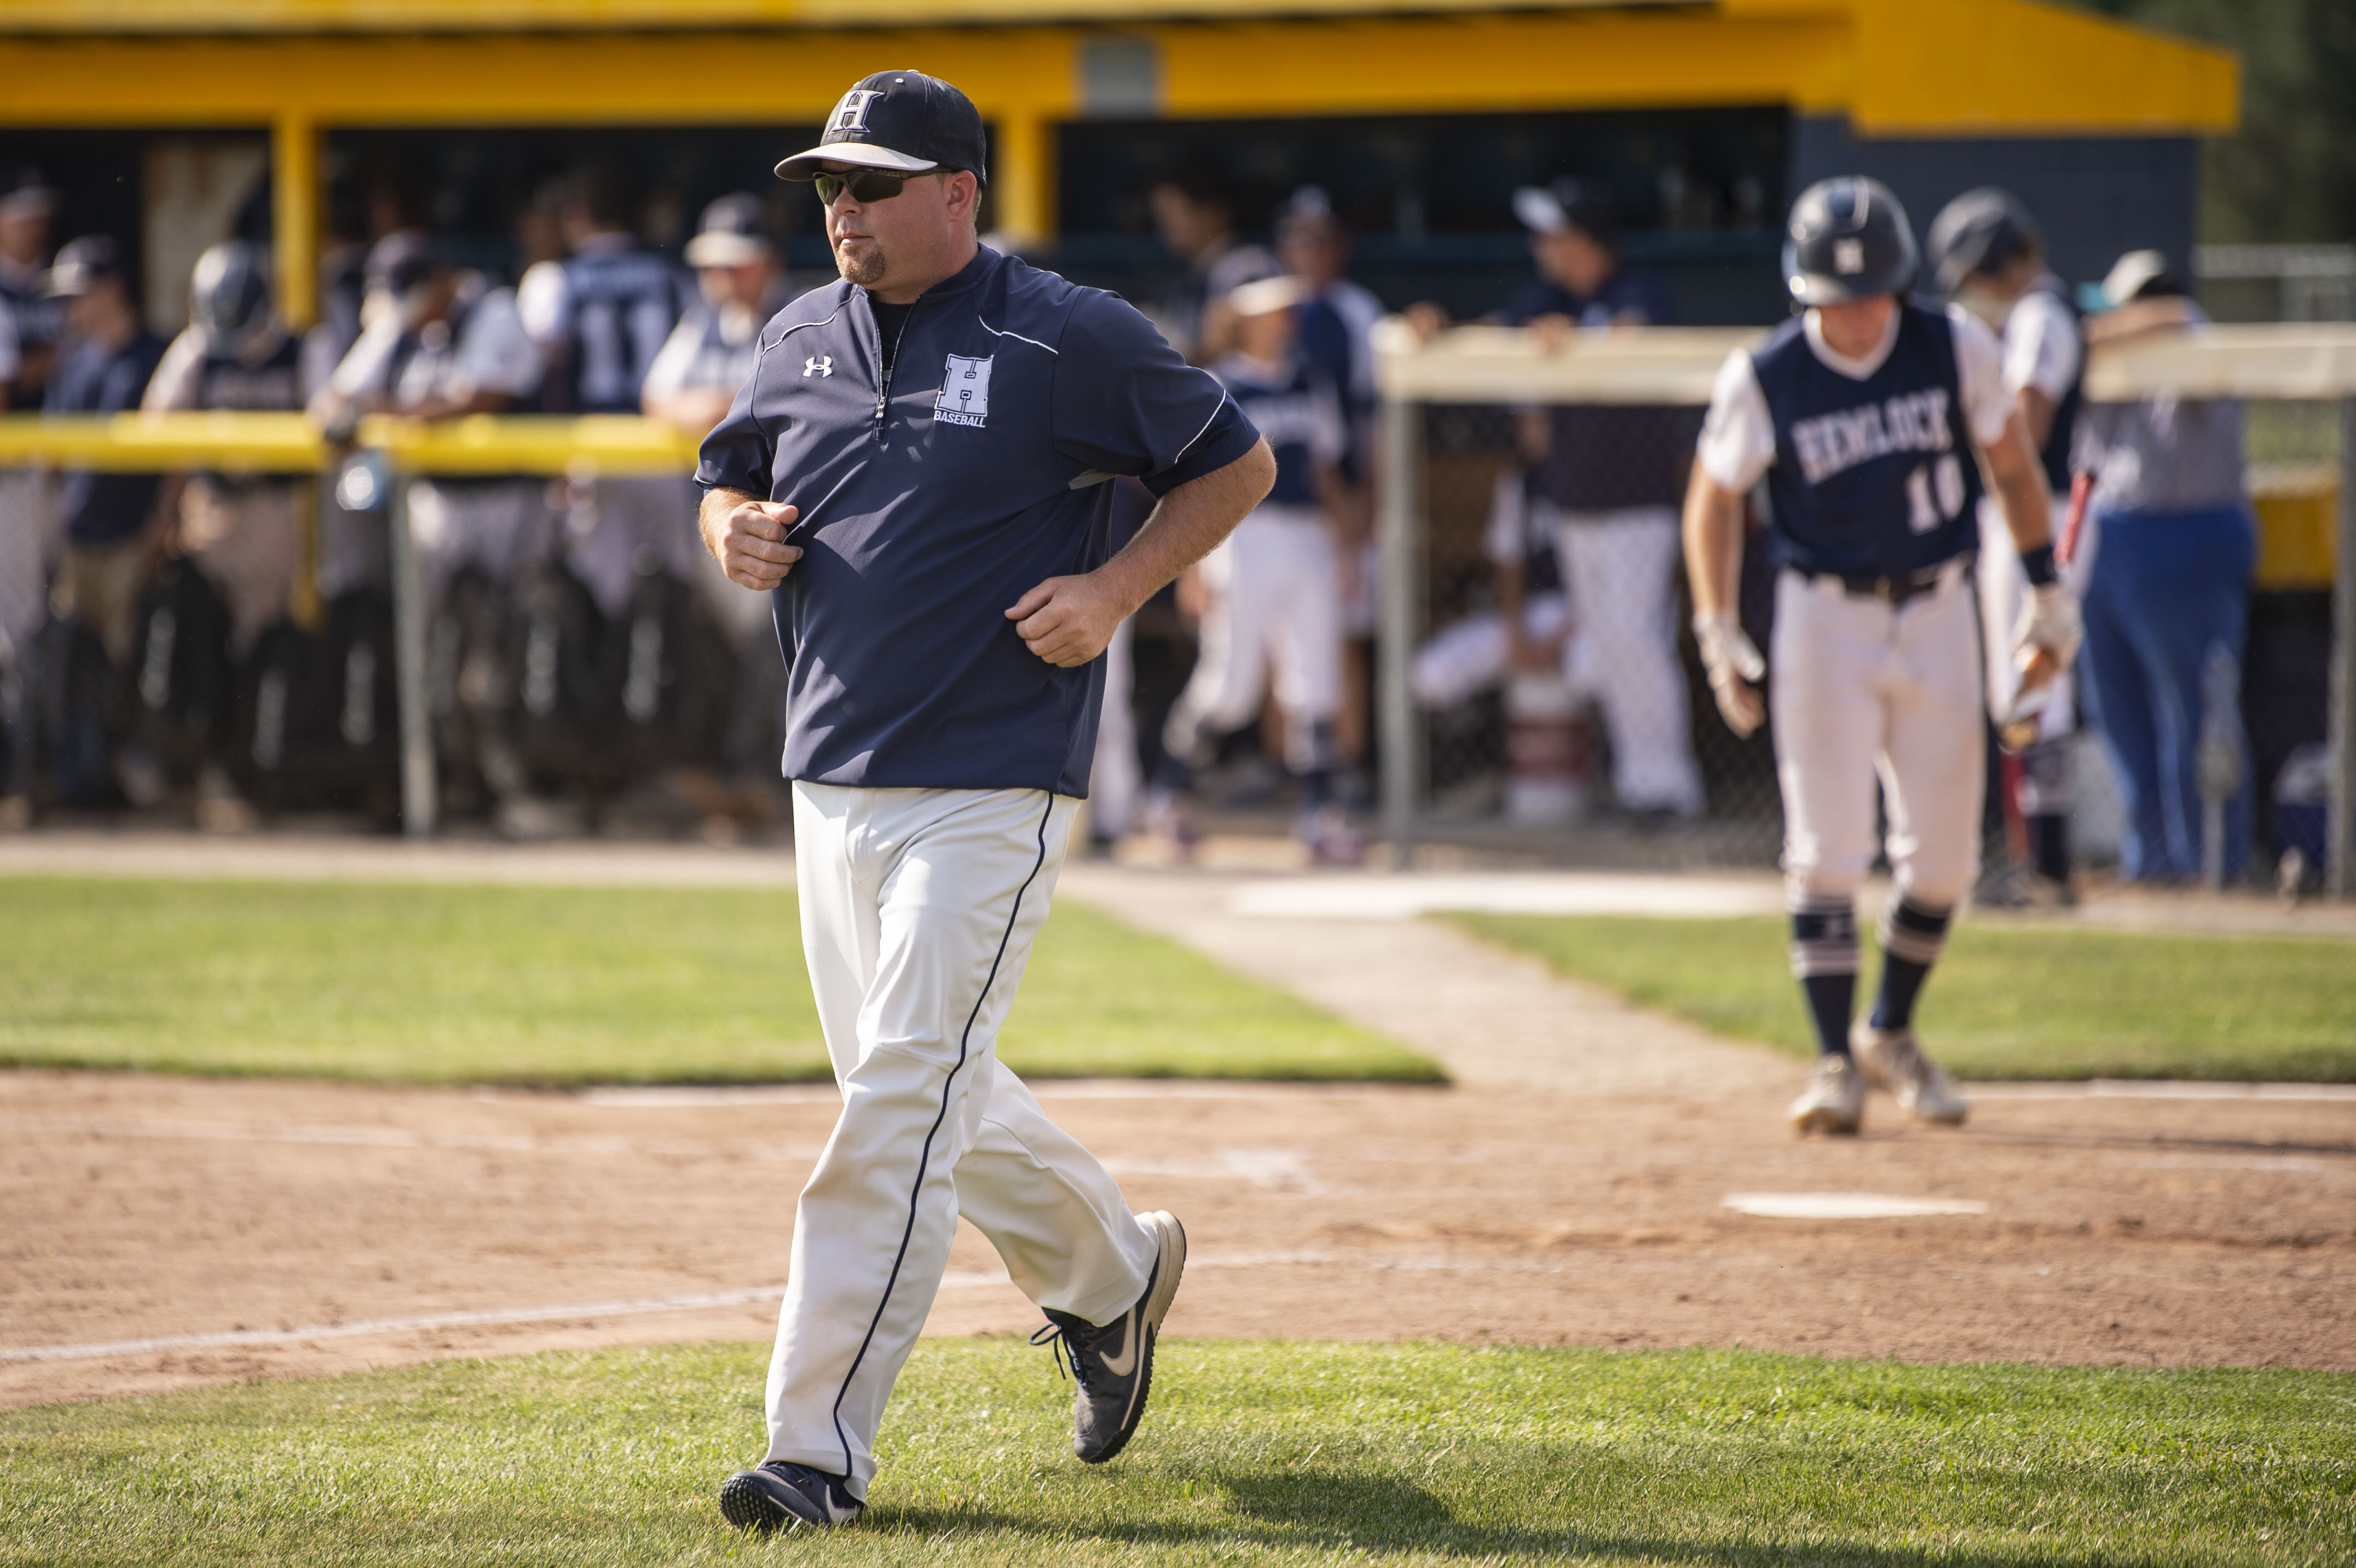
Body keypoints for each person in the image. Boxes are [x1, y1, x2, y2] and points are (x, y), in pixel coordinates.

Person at [696, 70, 1274, 1532]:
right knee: (927, 1089)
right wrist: (734, 534)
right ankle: (1116, 1279)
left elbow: (1236, 463)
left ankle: (814, 1452)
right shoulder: (799, 332)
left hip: (992, 781)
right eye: (830, 183)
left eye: (873, 183)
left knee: (899, 1098)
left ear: (960, 192)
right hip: (827, 776)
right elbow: (728, 477)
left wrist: (1119, 584)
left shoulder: (1066, 333)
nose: (843, 208)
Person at [1682, 177, 2080, 1136]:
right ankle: (1830, 1064)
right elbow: (1711, 495)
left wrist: (2044, 589)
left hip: (1940, 606)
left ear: (1900, 285)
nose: (1856, 315)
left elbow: (2011, 467)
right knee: (1823, 849)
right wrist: (1714, 623)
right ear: (1800, 290)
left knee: (1941, 862)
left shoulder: (1952, 343)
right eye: (1835, 296)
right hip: (1821, 616)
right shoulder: (1767, 372)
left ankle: (1887, 1031)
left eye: (1872, 294)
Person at [1498, 179, 1705, 822]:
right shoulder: (1546, 299)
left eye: (1553, 236)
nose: (1542, 249)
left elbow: (1630, 335)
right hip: (1574, 504)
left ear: (1585, 240)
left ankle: (1668, 788)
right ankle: (1638, 784)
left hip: (1637, 506)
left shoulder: (1635, 289)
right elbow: (1490, 331)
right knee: (1611, 648)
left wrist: (1572, 340)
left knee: (1636, 642)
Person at [1150, 274, 1361, 863]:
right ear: (1240, 317)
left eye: (1285, 310)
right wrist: (1191, 564)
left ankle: (1320, 816)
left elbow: (1325, 471)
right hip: (1241, 538)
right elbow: (1190, 484)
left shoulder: (1305, 378)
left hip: (1307, 534)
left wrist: (1342, 547)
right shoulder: (1219, 384)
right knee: (1231, 685)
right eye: (1268, 311)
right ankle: (1167, 797)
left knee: (1316, 674)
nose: (1282, 320)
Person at [2072, 251, 2255, 884]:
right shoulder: (2108, 358)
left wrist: (2083, 331)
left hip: (2188, 536)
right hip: (2114, 539)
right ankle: (2147, 862)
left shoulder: (2186, 332)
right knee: (2119, 716)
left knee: (2196, 716)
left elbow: (2175, 316)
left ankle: (2209, 865)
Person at [1926, 188, 2086, 906]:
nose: (1977, 290)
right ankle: (2037, 862)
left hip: (2040, 513)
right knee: (2024, 682)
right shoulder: (2037, 314)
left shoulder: (2041, 313)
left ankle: (2045, 867)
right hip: (2031, 510)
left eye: (1980, 272)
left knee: (2036, 679)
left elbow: (2027, 423)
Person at [642, 192, 795, 811]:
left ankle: (765, 776)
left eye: (735, 263)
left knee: (778, 657)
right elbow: (658, 397)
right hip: (720, 516)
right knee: (728, 656)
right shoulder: (703, 320)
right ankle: (739, 775)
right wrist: (725, 404)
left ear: (767, 263)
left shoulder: (802, 315)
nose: (720, 278)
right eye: (712, 265)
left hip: (789, 520)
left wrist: (722, 405)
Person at [517, 167, 696, 618]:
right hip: (665, 452)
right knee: (676, 592)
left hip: (592, 452)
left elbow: (536, 371)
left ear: (577, 216)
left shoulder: (556, 280)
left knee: (602, 600)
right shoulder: (672, 278)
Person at [143, 242, 308, 660]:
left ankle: (257, 714)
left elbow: (329, 414)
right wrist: (168, 507)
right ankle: (214, 718)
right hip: (210, 502)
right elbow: (154, 421)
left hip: (273, 502)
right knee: (204, 622)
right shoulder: (197, 348)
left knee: (263, 629)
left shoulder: (297, 348)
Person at [1276, 186, 1384, 793]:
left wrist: (1367, 500)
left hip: (1340, 491)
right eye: (1296, 238)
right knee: (1275, 643)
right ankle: (1284, 767)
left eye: (1317, 239)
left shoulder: (1355, 311)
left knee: (1341, 632)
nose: (1306, 250)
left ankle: (1350, 761)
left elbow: (1372, 420)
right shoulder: (1266, 308)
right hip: (1270, 499)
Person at [44, 236, 169, 669]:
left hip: (135, 537)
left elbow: (177, 454)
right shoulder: (73, 359)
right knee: (75, 663)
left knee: (132, 660)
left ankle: (133, 740)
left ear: (113, 288)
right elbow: (53, 452)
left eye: (78, 294)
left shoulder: (157, 355)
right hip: (79, 537)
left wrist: (164, 519)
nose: (69, 306)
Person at [0, 170, 63, 759]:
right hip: (10, 472)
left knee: (34, 619)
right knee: (14, 622)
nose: (35, 226)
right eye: (22, 214)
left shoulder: (54, 285)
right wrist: (60, 359)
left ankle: (31, 755)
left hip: (45, 469)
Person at [1146, 163, 1277, 363]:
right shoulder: (1193, 275)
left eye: (1174, 214)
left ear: (1212, 212)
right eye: (1161, 217)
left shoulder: (1249, 267)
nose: (1164, 227)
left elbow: (1247, 356)